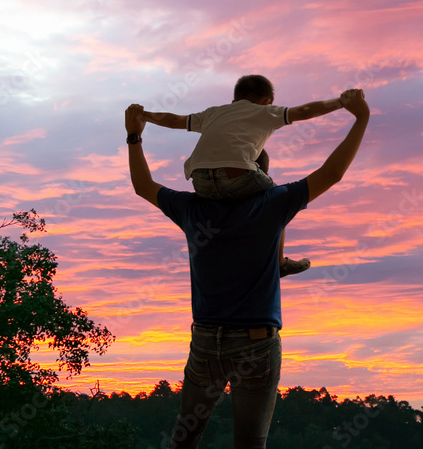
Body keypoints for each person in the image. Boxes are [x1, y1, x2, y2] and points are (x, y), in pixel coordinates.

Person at [125, 88, 369, 449]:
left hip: (206, 340)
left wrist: (134, 135)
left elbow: (143, 185)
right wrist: (361, 118)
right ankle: (282, 263)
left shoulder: (193, 210)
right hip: (256, 343)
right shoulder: (273, 204)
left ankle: (282, 264)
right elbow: (331, 173)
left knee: (185, 438)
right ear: (258, 173)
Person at [143, 74, 345, 277]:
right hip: (236, 176)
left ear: (234, 100)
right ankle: (279, 262)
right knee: (278, 198)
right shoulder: (265, 112)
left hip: (200, 181)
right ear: (266, 102)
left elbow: (174, 120)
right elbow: (305, 111)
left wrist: (144, 116)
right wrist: (341, 102)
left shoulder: (213, 113)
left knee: (240, 190)